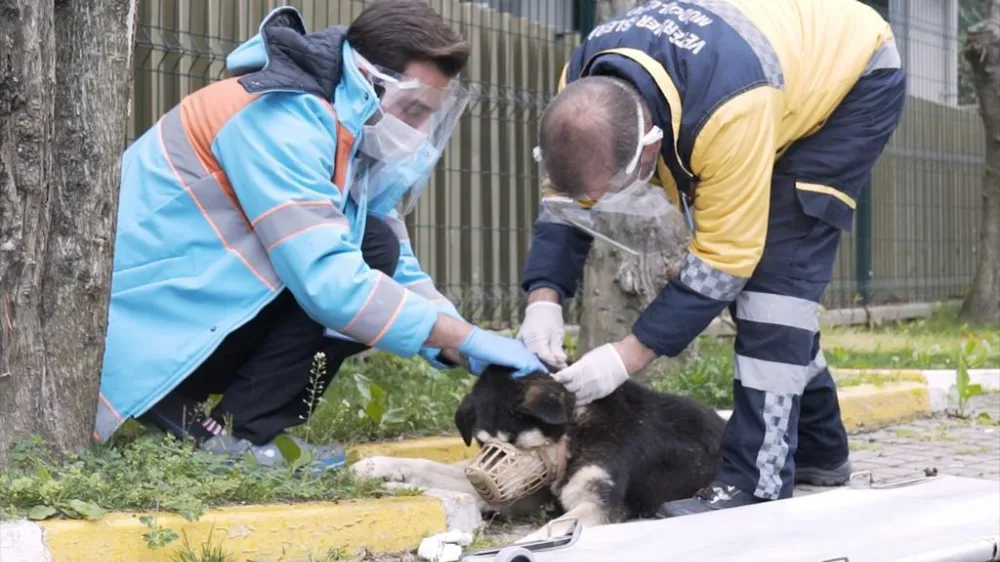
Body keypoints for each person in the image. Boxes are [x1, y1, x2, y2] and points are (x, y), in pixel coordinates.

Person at [94, 0, 545, 469]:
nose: (420, 130)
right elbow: (329, 282)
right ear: (369, 82)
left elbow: (396, 266)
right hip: (141, 328)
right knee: (362, 254)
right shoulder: (280, 120)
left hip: (188, 307)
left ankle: (240, 428)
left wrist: (454, 345)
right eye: (413, 110)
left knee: (374, 245)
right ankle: (242, 433)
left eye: (430, 113)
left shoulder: (341, 128)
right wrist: (467, 336)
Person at [518, 0, 906, 515]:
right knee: (759, 297)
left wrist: (626, 357)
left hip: (851, 81)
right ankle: (820, 449)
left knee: (774, 288)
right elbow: (567, 201)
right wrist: (542, 297)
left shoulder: (728, 113)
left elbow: (727, 259)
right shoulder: (583, 81)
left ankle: (756, 482)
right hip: (762, 73)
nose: (602, 208)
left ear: (652, 149)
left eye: (612, 191)